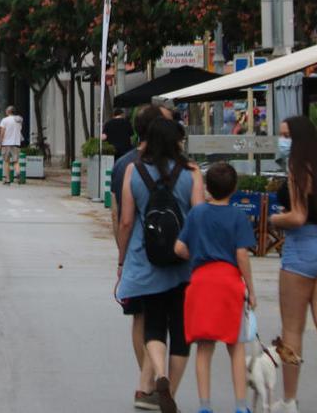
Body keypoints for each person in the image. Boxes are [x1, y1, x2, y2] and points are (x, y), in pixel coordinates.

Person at [117, 117, 205, 413]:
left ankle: (159, 377)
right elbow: (199, 217)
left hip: (147, 261)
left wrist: (121, 260)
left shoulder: (134, 170)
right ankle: (171, 392)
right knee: (180, 332)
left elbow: (127, 220)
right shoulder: (191, 172)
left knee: (153, 325)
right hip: (183, 263)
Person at [269, 116, 317, 413]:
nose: (283, 140)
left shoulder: (297, 168)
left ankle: (289, 400)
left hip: (303, 247)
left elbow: (298, 216)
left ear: (299, 138)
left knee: (292, 329)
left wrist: (274, 218)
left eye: (287, 134)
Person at [174, 162, 257, 413]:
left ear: (207, 187)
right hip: (229, 282)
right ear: (234, 189)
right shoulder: (238, 216)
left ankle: (205, 405)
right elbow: (242, 254)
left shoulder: (197, 214)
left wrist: (197, 254)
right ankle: (241, 405)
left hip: (201, 282)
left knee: (204, 347)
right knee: (236, 346)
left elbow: (179, 248)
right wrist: (251, 290)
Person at [109, 104, 173, 410]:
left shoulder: (125, 165)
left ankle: (145, 379)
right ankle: (152, 379)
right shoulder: (182, 167)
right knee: (165, 321)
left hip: (137, 254)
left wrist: (121, 257)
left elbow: (119, 216)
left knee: (140, 318)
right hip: (174, 257)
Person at [0, 105, 23, 185]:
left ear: (8, 111)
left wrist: (0, 144)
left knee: (6, 162)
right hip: (16, 143)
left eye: (6, 110)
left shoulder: (5, 120)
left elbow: (2, 132)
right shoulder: (18, 120)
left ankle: (7, 179)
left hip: (6, 144)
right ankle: (18, 172)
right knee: (16, 161)